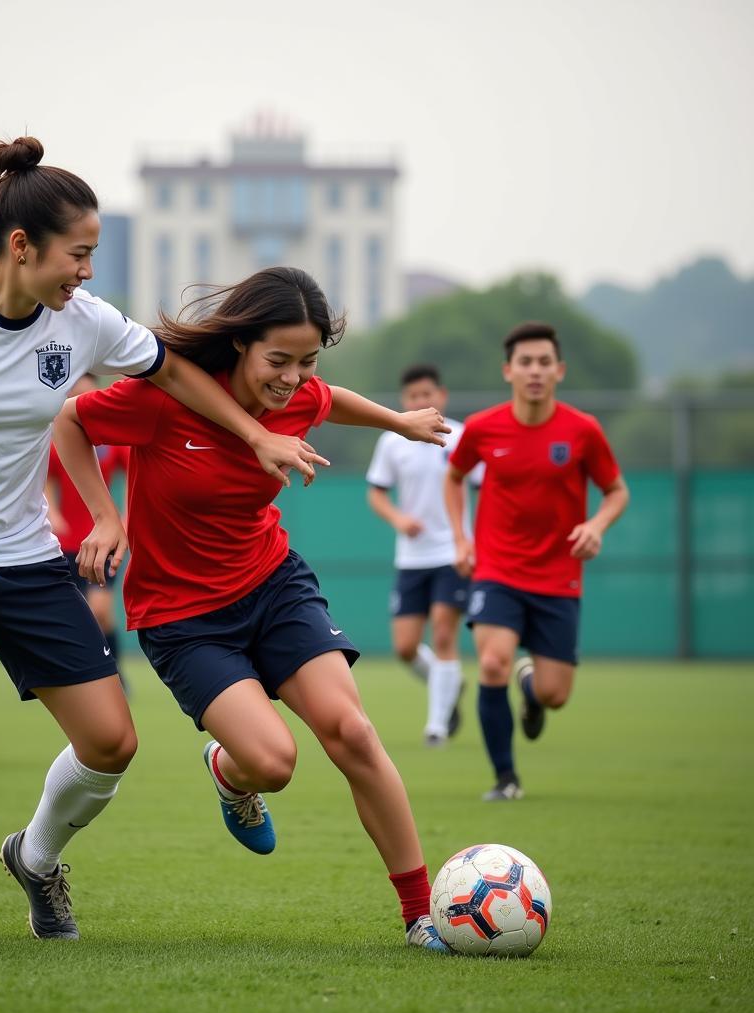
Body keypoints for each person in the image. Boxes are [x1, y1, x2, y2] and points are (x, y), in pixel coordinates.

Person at [0, 137, 325, 959]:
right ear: (22, 248)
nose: (86, 272)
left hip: (22, 557)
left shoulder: (85, 326)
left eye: (92, 255)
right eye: (78, 255)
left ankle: (35, 858)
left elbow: (173, 375)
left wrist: (253, 435)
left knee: (110, 742)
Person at [64, 266, 455, 953]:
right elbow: (70, 423)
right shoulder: (162, 398)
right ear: (240, 344)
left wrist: (399, 421)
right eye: (278, 359)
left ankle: (420, 915)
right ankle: (229, 771)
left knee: (353, 734)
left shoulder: (300, 394)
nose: (293, 377)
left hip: (273, 586)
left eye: (306, 360)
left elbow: (330, 399)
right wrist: (104, 517)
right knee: (273, 762)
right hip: (182, 618)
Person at [443, 321, 629, 801]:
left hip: (558, 575)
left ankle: (531, 687)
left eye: (544, 362)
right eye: (525, 362)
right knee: (491, 663)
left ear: (559, 370)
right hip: (497, 571)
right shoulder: (483, 428)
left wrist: (595, 527)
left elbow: (616, 492)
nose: (535, 371)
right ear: (509, 370)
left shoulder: (583, 430)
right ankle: (506, 779)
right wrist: (461, 539)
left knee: (555, 695)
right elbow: (454, 477)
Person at [366, 364, 481, 745]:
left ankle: (436, 728)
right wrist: (400, 520)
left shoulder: (464, 437)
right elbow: (376, 493)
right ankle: (449, 684)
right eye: (414, 396)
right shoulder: (392, 441)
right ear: (405, 401)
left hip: (452, 553)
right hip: (411, 558)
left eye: (428, 394)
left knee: (445, 635)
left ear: (442, 396)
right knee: (405, 647)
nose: (422, 401)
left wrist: (472, 539)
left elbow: (488, 488)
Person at [44, 372, 131, 691]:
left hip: (103, 538)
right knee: (76, 616)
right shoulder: (55, 436)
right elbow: (47, 480)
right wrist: (52, 512)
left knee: (101, 612)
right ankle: (89, 679)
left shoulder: (110, 440)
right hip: (65, 542)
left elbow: (135, 473)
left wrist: (122, 517)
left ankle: (114, 671)